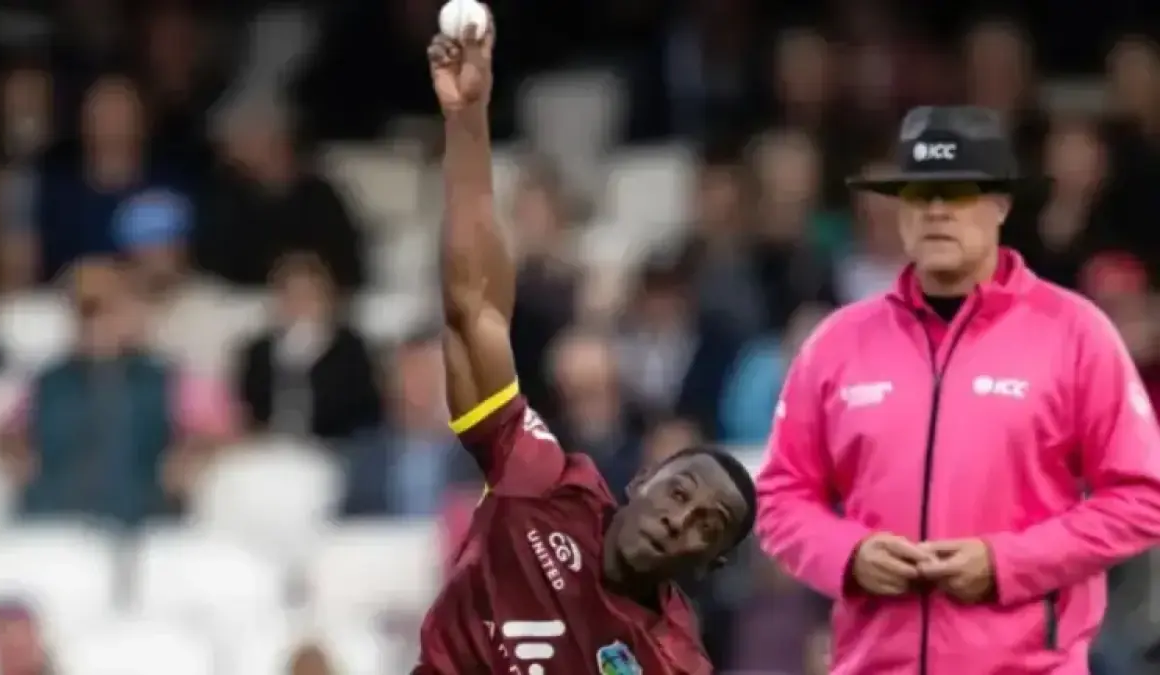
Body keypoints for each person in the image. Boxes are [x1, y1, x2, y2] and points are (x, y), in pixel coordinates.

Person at [753, 105, 1160, 674]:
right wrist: (849, 556)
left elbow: (1142, 499)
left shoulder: (1075, 333)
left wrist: (1006, 563)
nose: (937, 211)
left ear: (1001, 205)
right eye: (919, 195)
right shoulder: (836, 343)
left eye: (958, 193)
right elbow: (781, 497)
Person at [415, 10, 757, 674]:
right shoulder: (545, 485)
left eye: (706, 525)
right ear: (643, 478)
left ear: (710, 563)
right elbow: (472, 309)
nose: (679, 519)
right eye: (679, 492)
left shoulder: (673, 661)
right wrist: (468, 120)